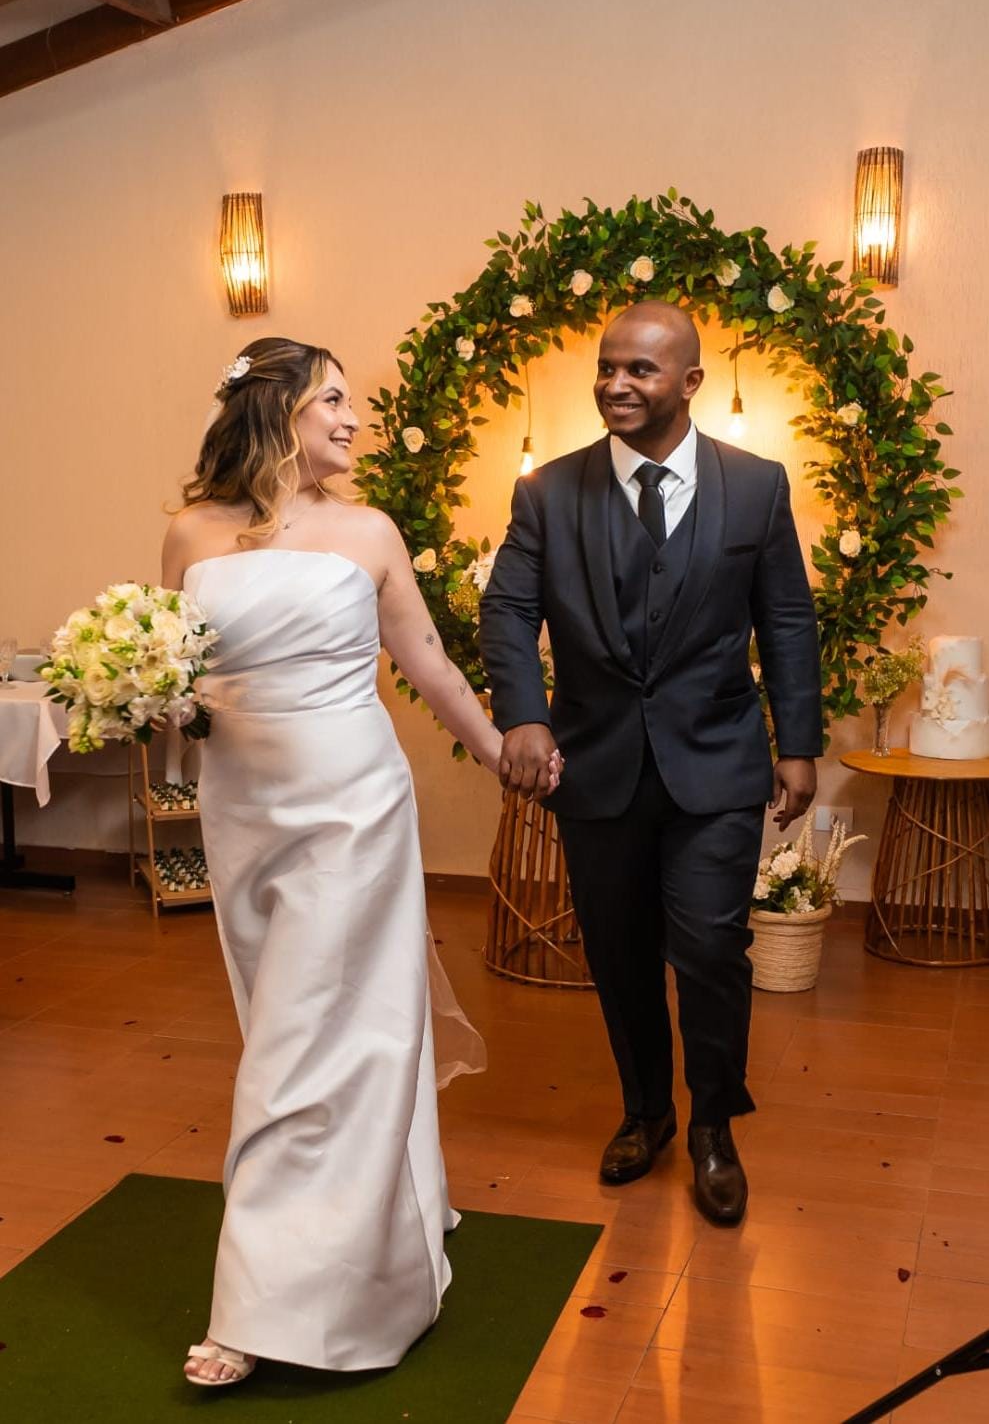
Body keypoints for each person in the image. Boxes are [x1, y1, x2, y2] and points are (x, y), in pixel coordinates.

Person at [161, 336, 559, 1385]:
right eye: (333, 399)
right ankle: (390, 1210)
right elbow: (179, 678)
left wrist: (509, 756)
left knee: (308, 1042)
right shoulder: (190, 533)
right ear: (277, 409)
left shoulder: (369, 531)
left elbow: (427, 664)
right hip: (242, 812)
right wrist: (143, 699)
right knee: (287, 1027)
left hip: (350, 811)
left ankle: (259, 1307)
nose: (352, 420)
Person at [479, 302, 822, 1226]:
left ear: (689, 382)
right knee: (618, 952)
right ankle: (646, 1113)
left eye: (640, 369)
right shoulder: (548, 491)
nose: (616, 384)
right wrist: (523, 716)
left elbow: (785, 618)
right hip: (595, 766)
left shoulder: (754, 486)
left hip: (716, 762)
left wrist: (797, 742)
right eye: (607, 367)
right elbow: (506, 609)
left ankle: (712, 1124)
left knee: (710, 947)